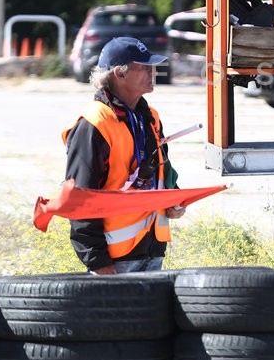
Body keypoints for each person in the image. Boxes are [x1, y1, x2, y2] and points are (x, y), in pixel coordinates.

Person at [63, 37, 184, 273]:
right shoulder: (94, 123)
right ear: (119, 73)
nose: (153, 72)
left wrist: (174, 200)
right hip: (113, 261)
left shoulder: (150, 116)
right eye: (145, 67)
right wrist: (99, 263)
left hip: (152, 252)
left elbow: (162, 170)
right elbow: (79, 201)